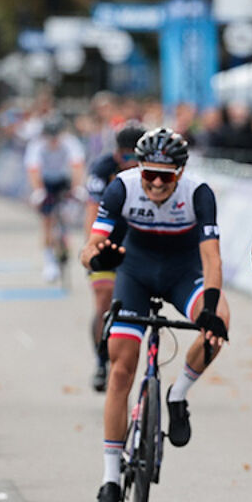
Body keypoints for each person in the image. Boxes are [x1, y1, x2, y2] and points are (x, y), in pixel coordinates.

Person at [81, 128, 230, 502]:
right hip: (135, 274)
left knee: (220, 324)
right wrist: (95, 259)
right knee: (121, 369)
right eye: (150, 174)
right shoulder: (122, 188)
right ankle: (111, 478)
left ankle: (177, 395)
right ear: (139, 169)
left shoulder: (199, 193)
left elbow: (212, 261)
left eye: (167, 175)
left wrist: (211, 308)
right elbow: (91, 246)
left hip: (184, 273)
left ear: (180, 173)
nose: (158, 183)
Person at [82, 121, 146, 392]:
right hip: (107, 241)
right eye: (126, 156)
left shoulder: (153, 172)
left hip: (138, 244)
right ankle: (101, 360)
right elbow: (92, 211)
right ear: (117, 154)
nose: (131, 163)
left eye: (137, 157)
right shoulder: (103, 169)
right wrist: (93, 248)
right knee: (104, 300)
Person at [24, 115, 86, 282]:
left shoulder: (70, 142)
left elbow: (77, 166)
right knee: (47, 221)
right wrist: (38, 191)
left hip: (63, 180)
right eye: (50, 138)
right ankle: (49, 262)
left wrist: (76, 188)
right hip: (45, 182)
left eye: (56, 137)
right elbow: (33, 170)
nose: (53, 141)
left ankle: (65, 237)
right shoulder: (36, 145)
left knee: (66, 214)